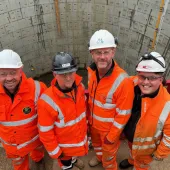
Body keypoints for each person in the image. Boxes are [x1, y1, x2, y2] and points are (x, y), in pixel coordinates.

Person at [87, 29, 134, 170]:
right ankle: (99, 157)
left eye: (106, 52)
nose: (102, 57)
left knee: (109, 155)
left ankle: (108, 166)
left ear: (113, 52)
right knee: (97, 147)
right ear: (92, 54)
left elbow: (124, 114)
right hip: (94, 126)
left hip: (109, 132)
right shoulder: (91, 72)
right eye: (98, 53)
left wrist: (112, 136)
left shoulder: (123, 81)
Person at [119, 52, 170, 170]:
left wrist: (159, 155)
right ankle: (132, 160)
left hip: (147, 152)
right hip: (132, 139)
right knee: (132, 150)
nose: (146, 82)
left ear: (161, 79)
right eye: (142, 77)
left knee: (141, 167)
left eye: (152, 77)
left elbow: (169, 137)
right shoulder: (131, 85)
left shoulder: (167, 105)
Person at [37, 52, 88, 170]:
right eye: (63, 74)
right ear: (55, 74)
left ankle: (74, 160)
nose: (68, 77)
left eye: (70, 72)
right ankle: (68, 166)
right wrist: (56, 153)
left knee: (74, 155)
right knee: (66, 163)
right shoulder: (46, 101)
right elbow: (45, 132)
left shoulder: (80, 88)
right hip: (63, 148)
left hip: (79, 140)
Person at [0, 49, 47, 170]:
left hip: (35, 139)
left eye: (13, 72)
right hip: (13, 146)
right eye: (3, 74)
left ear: (20, 71)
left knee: (38, 152)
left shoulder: (37, 88)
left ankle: (38, 159)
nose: (9, 78)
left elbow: (51, 109)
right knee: (19, 165)